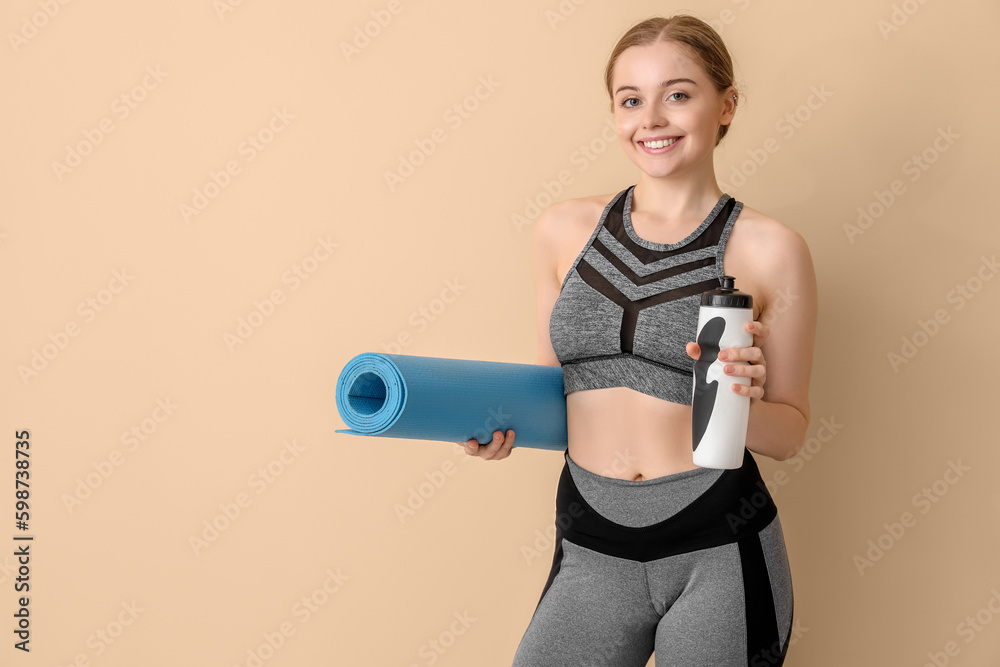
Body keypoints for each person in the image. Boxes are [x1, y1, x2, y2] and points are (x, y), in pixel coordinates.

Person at [460, 13, 817, 666]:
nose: (650, 118)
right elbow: (552, 391)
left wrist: (731, 403)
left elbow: (790, 430)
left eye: (678, 94)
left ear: (726, 105)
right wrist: (495, 423)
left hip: (719, 548)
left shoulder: (772, 250)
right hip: (593, 544)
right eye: (631, 100)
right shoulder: (563, 230)